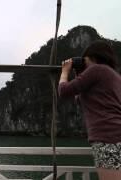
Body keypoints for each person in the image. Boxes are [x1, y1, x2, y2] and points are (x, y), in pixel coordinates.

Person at [58, 40, 121, 180]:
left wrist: (64, 72)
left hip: (108, 138)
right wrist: (79, 75)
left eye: (84, 60)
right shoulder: (115, 76)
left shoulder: (97, 69)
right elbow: (80, 99)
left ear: (92, 57)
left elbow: (64, 91)